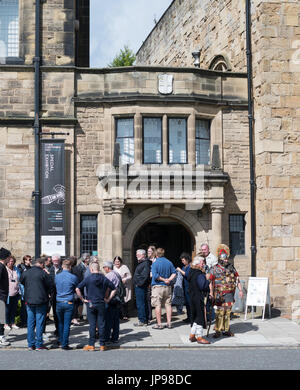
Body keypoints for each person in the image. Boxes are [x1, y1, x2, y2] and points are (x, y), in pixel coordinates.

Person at [76, 262, 116, 351]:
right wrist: (108, 299)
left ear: (91, 269)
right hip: (101, 303)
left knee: (92, 325)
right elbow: (114, 288)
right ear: (99, 269)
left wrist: (82, 299)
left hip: (90, 303)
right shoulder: (104, 278)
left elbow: (77, 288)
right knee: (101, 324)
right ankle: (102, 344)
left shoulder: (88, 278)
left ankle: (91, 344)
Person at [209, 244, 244, 338]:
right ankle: (217, 330)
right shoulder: (214, 268)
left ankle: (226, 329)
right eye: (224, 258)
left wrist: (240, 290)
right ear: (220, 258)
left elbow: (237, 278)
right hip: (219, 294)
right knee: (220, 312)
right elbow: (210, 281)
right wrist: (211, 292)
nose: (226, 260)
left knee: (227, 312)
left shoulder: (231, 267)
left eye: (226, 258)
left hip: (229, 293)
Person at [20, 257, 54, 351]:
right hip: (41, 301)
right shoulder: (43, 273)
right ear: (41, 264)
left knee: (30, 323)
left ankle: (30, 344)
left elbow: (22, 281)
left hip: (29, 300)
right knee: (40, 323)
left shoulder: (26, 272)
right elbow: (50, 285)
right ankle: (39, 344)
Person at [187, 256, 211, 344]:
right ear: (197, 263)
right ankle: (200, 337)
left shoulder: (191, 272)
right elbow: (202, 286)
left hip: (192, 297)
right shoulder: (199, 273)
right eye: (202, 263)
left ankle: (192, 335)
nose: (203, 264)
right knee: (200, 317)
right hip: (198, 297)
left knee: (196, 317)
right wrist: (207, 280)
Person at [55, 259, 78, 350]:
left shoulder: (57, 276)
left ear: (62, 266)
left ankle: (60, 340)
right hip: (68, 301)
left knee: (60, 323)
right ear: (70, 267)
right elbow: (77, 287)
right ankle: (65, 344)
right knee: (66, 324)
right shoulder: (73, 277)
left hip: (59, 301)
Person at [151, 248, 176, 329]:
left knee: (157, 305)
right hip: (167, 287)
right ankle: (169, 323)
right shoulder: (169, 262)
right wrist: (168, 279)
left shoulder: (155, 263)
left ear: (156, 254)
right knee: (168, 304)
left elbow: (155, 276)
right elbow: (174, 273)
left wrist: (164, 279)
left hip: (157, 286)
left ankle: (159, 324)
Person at [103, 261, 122, 343]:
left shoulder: (108, 276)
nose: (103, 269)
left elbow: (108, 288)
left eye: (104, 267)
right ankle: (115, 337)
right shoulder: (116, 273)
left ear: (107, 267)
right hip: (117, 299)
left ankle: (107, 338)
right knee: (116, 320)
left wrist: (106, 298)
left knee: (108, 319)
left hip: (111, 299)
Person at [132, 249, 151, 327]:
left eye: (138, 255)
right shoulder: (142, 263)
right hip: (140, 286)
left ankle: (142, 320)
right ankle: (145, 320)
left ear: (143, 255)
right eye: (136, 254)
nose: (136, 256)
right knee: (142, 303)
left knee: (141, 304)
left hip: (141, 287)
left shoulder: (145, 263)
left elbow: (144, 276)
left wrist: (138, 284)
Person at [113, 256, 132, 320]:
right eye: (116, 261)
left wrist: (125, 279)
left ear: (120, 262)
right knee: (118, 301)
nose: (117, 263)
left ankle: (125, 315)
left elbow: (129, 276)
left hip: (124, 286)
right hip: (116, 287)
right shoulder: (113, 267)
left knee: (124, 300)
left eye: (118, 261)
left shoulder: (124, 267)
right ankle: (119, 315)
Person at [48, 253, 62, 337]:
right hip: (53, 294)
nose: (55, 262)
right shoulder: (50, 269)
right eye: (54, 260)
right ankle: (57, 328)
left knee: (60, 313)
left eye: (57, 260)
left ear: (59, 260)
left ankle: (61, 329)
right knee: (55, 313)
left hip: (61, 293)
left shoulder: (62, 269)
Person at [5, 256, 20, 330]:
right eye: (10, 261)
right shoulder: (4, 269)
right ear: (7, 262)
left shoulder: (16, 269)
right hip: (7, 293)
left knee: (13, 309)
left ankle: (13, 323)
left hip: (15, 292)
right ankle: (6, 324)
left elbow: (19, 279)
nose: (11, 262)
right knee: (7, 310)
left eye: (13, 261)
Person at [0, 247, 11, 346]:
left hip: (2, 296)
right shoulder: (1, 266)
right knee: (1, 318)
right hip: (0, 296)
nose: (9, 259)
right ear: (5, 258)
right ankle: (1, 337)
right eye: (9, 257)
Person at [176, 252, 192, 323]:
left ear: (187, 260)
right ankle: (188, 317)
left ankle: (191, 318)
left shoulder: (190, 266)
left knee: (190, 303)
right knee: (187, 304)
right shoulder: (184, 267)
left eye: (183, 260)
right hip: (184, 287)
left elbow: (187, 274)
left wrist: (179, 270)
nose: (182, 262)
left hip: (189, 287)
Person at [17, 255, 32, 327]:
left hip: (29, 288)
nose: (30, 261)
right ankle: (23, 321)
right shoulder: (21, 267)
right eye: (29, 259)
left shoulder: (30, 268)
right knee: (23, 305)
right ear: (25, 260)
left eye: (30, 259)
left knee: (28, 305)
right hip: (23, 288)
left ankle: (27, 320)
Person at [147, 246, 157, 321]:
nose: (148, 253)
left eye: (150, 252)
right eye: (148, 252)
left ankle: (157, 315)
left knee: (156, 299)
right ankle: (149, 315)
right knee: (148, 298)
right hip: (148, 282)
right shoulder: (146, 260)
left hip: (156, 281)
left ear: (153, 252)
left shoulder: (157, 260)